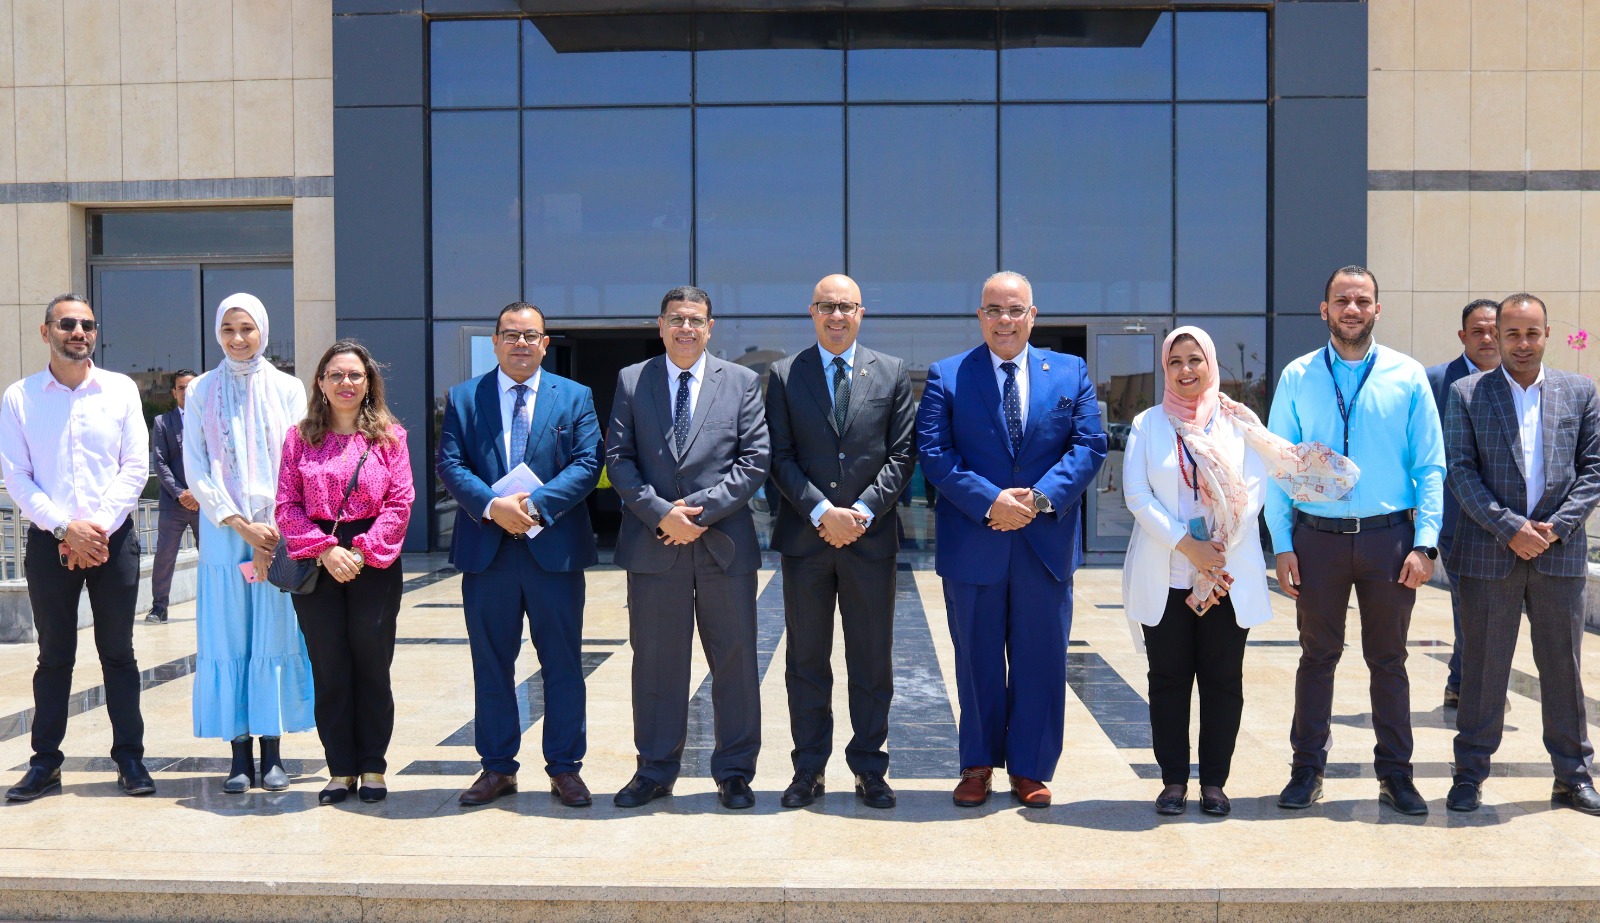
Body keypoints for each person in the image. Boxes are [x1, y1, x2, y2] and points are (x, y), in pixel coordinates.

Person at [915, 271, 1106, 808]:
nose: (1005, 320)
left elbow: (1090, 445)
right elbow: (934, 453)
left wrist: (1039, 499)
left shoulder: (1070, 370)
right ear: (980, 316)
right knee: (976, 661)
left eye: (1015, 309)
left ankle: (1030, 768)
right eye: (994, 310)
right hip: (975, 542)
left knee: (1041, 660)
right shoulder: (948, 375)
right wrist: (990, 501)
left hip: (1044, 545)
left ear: (1032, 315)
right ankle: (977, 765)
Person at [1268, 265, 1444, 816]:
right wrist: (1282, 543)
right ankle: (1306, 771)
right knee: (1316, 657)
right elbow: (1278, 465)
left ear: (1377, 309)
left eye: (1362, 300)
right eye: (1341, 300)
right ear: (1324, 309)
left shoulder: (1407, 376)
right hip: (1316, 539)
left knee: (1389, 660)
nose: (1352, 309)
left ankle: (1396, 776)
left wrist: (1426, 543)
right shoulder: (1298, 375)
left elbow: (1430, 466)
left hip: (1389, 540)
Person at [605, 286, 771, 810]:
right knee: (656, 663)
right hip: (653, 546)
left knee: (735, 662)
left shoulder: (741, 381)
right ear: (660, 325)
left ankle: (735, 772)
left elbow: (755, 459)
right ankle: (654, 770)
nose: (685, 328)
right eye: (676, 319)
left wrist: (695, 512)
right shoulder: (633, 380)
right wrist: (662, 514)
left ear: (709, 327)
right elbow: (618, 458)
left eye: (695, 320)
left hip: (724, 547)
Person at [436, 303, 602, 808]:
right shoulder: (465, 398)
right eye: (511, 335)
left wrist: (532, 506)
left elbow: (588, 462)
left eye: (531, 335)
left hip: (554, 551)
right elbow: (450, 463)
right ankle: (497, 768)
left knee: (563, 664)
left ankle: (565, 768)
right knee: (491, 665)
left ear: (545, 343)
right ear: (495, 342)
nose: (521, 343)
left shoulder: (574, 396)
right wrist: (493, 507)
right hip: (488, 554)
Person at [1443, 293, 1600, 814]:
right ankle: (1469, 774)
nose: (1522, 343)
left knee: (1562, 669)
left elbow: (1593, 469)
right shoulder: (1468, 393)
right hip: (1490, 554)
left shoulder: (1579, 391)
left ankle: (1573, 776)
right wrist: (1510, 528)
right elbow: (1460, 470)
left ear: (1547, 334)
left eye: (1532, 333)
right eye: (1512, 333)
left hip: (1559, 553)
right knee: (1483, 670)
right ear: (1497, 336)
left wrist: (1554, 529)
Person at [764, 274, 916, 810]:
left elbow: (902, 455)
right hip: (807, 542)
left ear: (861, 312)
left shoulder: (892, 372)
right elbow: (779, 455)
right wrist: (823, 512)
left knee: (872, 660)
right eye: (826, 306)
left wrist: (862, 513)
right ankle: (808, 769)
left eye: (846, 306)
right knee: (806, 661)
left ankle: (870, 768)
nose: (836, 315)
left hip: (870, 542)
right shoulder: (785, 375)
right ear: (812, 312)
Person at [0, 293, 154, 800]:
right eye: (67, 324)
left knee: (119, 654)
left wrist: (96, 530)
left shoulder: (120, 390)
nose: (79, 332)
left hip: (113, 540)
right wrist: (65, 529)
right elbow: (17, 476)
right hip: (51, 543)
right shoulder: (20, 397)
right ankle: (45, 763)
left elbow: (135, 467)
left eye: (87, 324)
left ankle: (130, 760)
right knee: (54, 657)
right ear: (46, 332)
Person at [1122, 328, 1269, 817]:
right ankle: (1172, 781)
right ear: (1165, 369)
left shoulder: (1237, 422)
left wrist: (1216, 550)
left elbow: (1253, 492)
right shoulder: (1148, 424)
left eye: (1195, 359)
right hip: (1166, 572)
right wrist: (1188, 546)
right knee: (1168, 679)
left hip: (1225, 575)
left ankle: (1215, 783)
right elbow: (1137, 495)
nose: (1186, 370)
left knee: (1222, 680)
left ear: (1211, 364)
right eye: (1175, 361)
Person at [184, 292, 316, 794]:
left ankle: (273, 750)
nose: (238, 338)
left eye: (247, 328)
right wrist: (242, 526)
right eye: (228, 329)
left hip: (279, 530)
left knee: (273, 634)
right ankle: (238, 754)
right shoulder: (201, 389)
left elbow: (297, 460)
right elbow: (196, 465)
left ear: (263, 330)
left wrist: (271, 531)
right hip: (225, 534)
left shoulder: (287, 387)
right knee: (228, 637)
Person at [277, 340, 415, 805]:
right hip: (316, 562)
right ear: (320, 383)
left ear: (369, 382)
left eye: (355, 374)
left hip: (374, 562)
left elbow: (400, 502)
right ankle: (340, 769)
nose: (346, 383)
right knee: (330, 667)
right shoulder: (299, 438)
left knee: (372, 665)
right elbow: (286, 505)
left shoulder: (390, 437)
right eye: (335, 374)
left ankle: (372, 765)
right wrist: (325, 550)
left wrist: (361, 551)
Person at [1425, 300, 1500, 709]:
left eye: (1494, 330)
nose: (1487, 338)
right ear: (1463, 336)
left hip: (1510, 518)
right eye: (1478, 331)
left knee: (1489, 607)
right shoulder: (1436, 380)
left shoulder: (1518, 381)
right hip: (1457, 516)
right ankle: (1471, 687)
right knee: (1469, 603)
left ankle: (1462, 679)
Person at [148, 369, 200, 624]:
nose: (186, 392)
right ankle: (159, 607)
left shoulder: (208, 420)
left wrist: (200, 493)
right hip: (173, 503)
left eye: (191, 387)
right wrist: (181, 493)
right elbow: (159, 463)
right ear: (173, 392)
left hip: (205, 504)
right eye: (181, 388)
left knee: (213, 556)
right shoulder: (162, 422)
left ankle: (214, 605)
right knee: (165, 556)